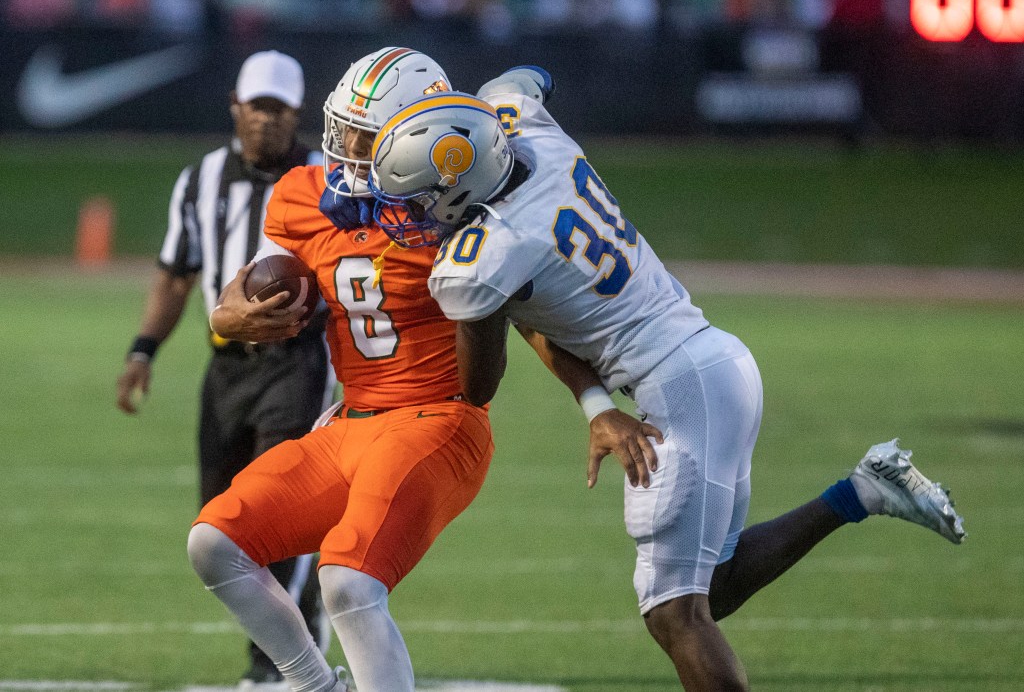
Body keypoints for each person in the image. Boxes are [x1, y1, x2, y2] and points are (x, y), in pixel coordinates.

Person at [367, 82, 968, 690]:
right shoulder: (523, 126)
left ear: (458, 186)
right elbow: (526, 77)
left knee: (674, 615)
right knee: (714, 587)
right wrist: (596, 404)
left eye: (417, 200)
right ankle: (863, 492)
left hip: (679, 390)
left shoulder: (481, 256)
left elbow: (477, 385)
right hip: (717, 360)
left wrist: (471, 311)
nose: (409, 215)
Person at [186, 47, 521, 692]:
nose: (342, 150)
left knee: (345, 578)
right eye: (342, 129)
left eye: (364, 138)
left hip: (438, 420)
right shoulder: (302, 196)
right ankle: (320, 686)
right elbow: (237, 296)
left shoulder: (460, 211)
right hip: (351, 424)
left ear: (415, 140)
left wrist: (595, 401)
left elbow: (534, 324)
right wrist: (233, 320)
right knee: (213, 543)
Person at [115, 50, 333, 686]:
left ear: (297, 114)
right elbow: (175, 277)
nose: (265, 120)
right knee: (222, 521)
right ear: (235, 106)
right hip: (224, 369)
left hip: (299, 361)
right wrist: (142, 350)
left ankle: (274, 666)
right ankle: (297, 630)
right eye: (256, 105)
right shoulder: (201, 179)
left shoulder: (330, 180)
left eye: (278, 108)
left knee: (282, 507)